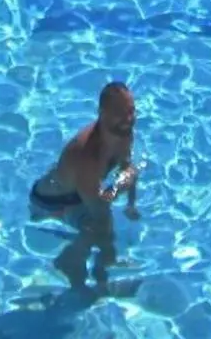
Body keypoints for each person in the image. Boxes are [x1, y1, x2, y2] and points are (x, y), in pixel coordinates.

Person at [30, 82, 141, 289]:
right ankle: (68, 262)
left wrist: (130, 204)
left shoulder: (123, 131)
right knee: (98, 227)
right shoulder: (87, 155)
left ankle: (101, 267)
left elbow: (127, 167)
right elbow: (101, 212)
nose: (128, 119)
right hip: (50, 203)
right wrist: (108, 257)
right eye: (119, 113)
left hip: (76, 188)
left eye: (131, 111)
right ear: (102, 113)